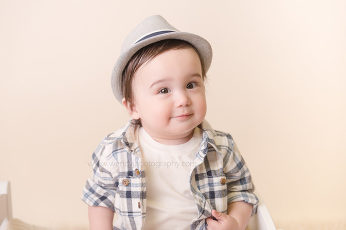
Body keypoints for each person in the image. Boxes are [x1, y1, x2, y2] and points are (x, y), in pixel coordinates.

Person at [81, 15, 259, 230]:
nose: (183, 99)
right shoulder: (115, 150)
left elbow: (243, 191)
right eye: (164, 90)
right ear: (133, 107)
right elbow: (100, 199)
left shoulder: (221, 147)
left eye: (191, 84)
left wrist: (237, 223)